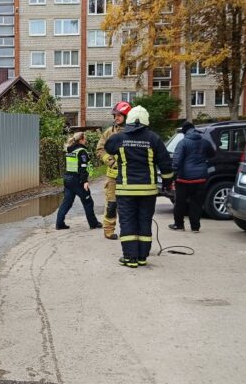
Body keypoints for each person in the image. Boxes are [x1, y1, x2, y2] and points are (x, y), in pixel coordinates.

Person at [104, 106, 174, 268]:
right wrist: (166, 183)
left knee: (128, 222)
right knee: (144, 221)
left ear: (129, 121)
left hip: (126, 190)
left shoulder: (119, 138)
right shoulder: (154, 139)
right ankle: (142, 257)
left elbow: (108, 147)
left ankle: (130, 258)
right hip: (147, 191)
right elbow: (166, 164)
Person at [169, 121, 216, 233]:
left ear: (185, 131)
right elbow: (212, 154)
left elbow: (177, 161)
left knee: (180, 202)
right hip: (200, 178)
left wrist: (173, 175)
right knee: (196, 203)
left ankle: (179, 225)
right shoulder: (204, 142)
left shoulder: (183, 143)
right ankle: (195, 227)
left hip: (183, 179)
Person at [95, 101, 132, 240]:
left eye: (119, 115)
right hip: (113, 176)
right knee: (111, 204)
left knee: (128, 205)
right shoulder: (109, 132)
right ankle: (109, 231)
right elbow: (99, 149)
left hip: (129, 176)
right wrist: (109, 160)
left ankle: (127, 231)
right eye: (115, 115)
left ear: (127, 116)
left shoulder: (134, 132)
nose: (116, 118)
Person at [55, 132, 103, 230]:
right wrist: (85, 181)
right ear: (81, 139)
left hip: (68, 179)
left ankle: (59, 224)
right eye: (85, 139)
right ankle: (93, 224)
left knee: (67, 202)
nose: (86, 141)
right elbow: (83, 167)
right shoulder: (81, 151)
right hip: (77, 180)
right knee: (88, 201)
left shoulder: (70, 150)